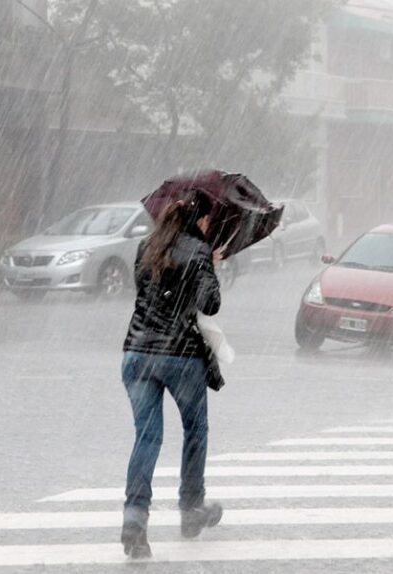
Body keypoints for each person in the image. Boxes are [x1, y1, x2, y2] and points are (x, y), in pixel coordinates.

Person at [120, 188, 224, 559]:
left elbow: (146, 292)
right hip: (180, 356)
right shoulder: (198, 251)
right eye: (209, 219)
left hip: (136, 353)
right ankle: (191, 509)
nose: (210, 225)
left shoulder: (145, 246)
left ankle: (134, 519)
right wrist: (209, 264)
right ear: (200, 218)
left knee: (146, 439)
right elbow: (209, 303)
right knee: (195, 430)